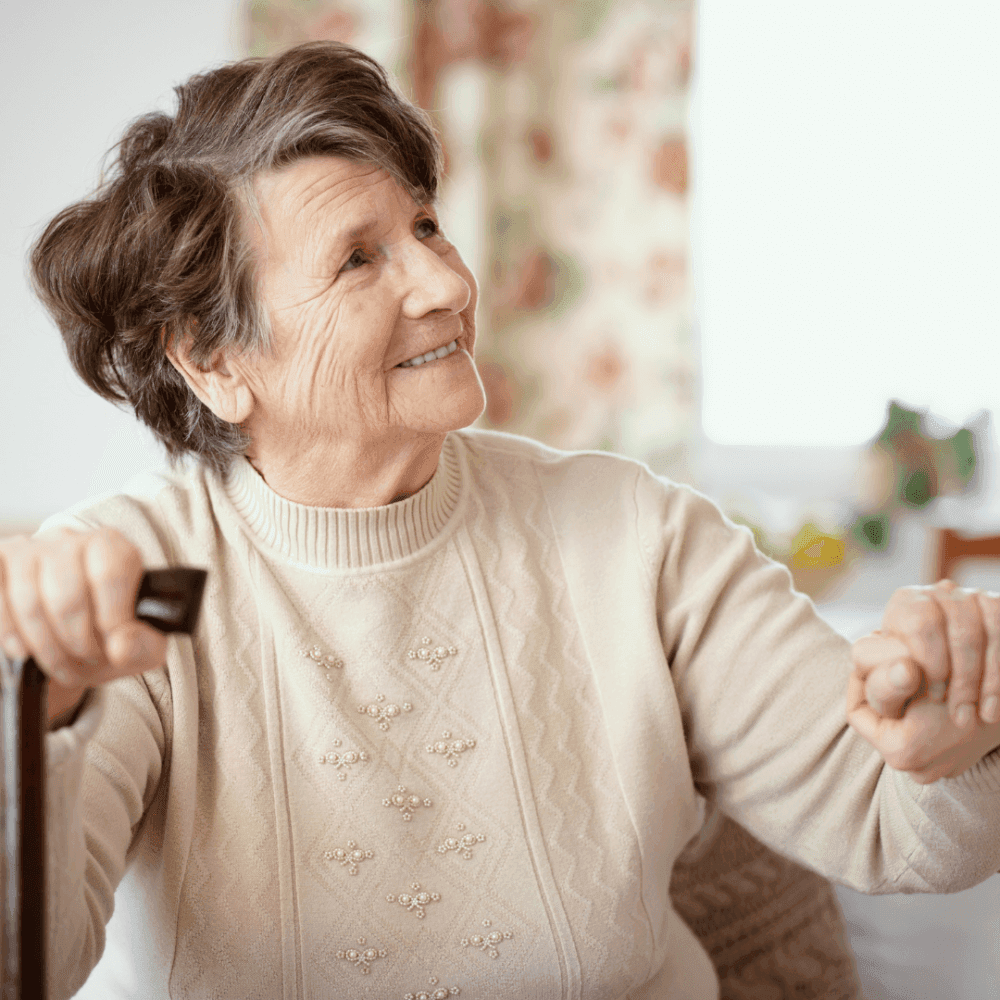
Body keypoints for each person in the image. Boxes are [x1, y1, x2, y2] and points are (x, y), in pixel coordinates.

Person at [3, 41, 999, 1000]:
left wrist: (951, 744)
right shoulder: (125, 581)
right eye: (358, 260)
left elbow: (890, 823)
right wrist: (38, 719)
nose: (446, 286)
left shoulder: (634, 535)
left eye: (427, 227)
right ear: (211, 360)